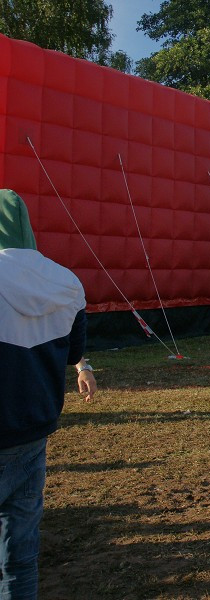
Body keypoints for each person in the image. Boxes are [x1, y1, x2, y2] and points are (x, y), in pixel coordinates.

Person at [0, 189, 96, 599]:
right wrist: (83, 367)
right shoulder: (66, 282)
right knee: (19, 559)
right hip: (30, 434)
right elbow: (74, 351)